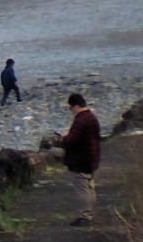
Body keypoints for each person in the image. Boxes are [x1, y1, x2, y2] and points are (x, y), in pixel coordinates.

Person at [43, 92, 102, 225]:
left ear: (76, 106)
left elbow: (71, 140)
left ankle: (85, 216)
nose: (71, 111)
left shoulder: (81, 120)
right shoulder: (92, 117)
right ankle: (90, 214)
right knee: (89, 187)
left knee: (82, 189)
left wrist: (63, 138)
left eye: (71, 108)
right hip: (92, 158)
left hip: (81, 160)